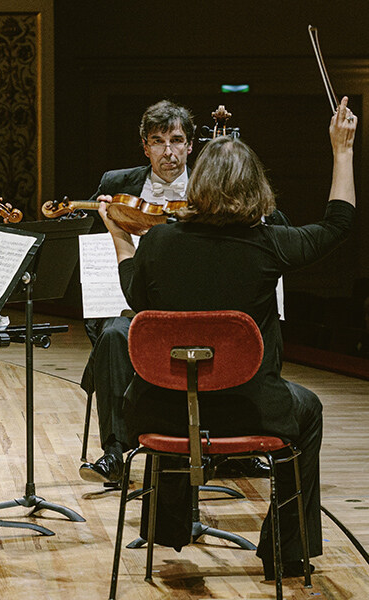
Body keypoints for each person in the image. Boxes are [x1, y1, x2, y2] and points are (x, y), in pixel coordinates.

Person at [98, 96, 356, 578]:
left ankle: (165, 527)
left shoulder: (158, 244)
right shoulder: (269, 244)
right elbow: (339, 223)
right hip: (249, 406)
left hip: (163, 409)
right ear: (254, 186)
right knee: (309, 411)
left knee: (176, 386)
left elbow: (133, 293)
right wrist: (342, 152)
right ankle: (286, 550)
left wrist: (118, 232)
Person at [78, 100, 196, 485]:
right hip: (134, 310)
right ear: (145, 147)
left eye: (177, 140)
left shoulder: (207, 186)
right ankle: (114, 454)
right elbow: (96, 255)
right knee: (112, 335)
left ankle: (226, 448)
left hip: (191, 311)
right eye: (158, 141)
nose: (169, 151)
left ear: (190, 145)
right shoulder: (117, 184)